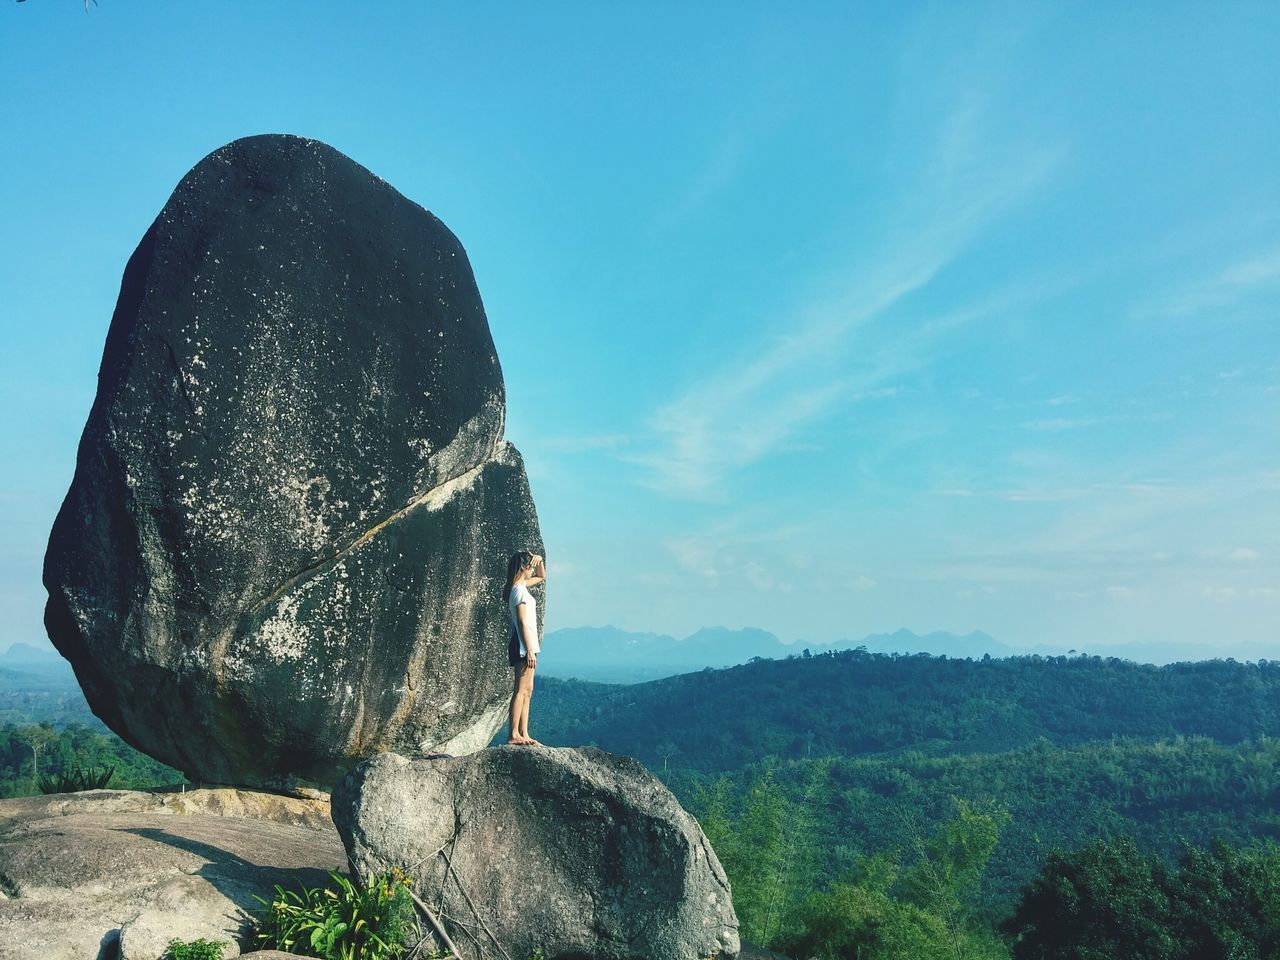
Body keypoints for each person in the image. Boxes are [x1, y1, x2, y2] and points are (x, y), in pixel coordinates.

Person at [503, 549, 545, 745]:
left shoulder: (521, 587)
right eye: (530, 566)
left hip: (529, 644)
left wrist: (539, 560)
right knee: (520, 690)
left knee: (528, 690)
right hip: (522, 643)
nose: (532, 570)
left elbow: (541, 576)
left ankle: (524, 733)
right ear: (524, 567)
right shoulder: (518, 590)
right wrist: (528, 649)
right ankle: (513, 734)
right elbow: (521, 622)